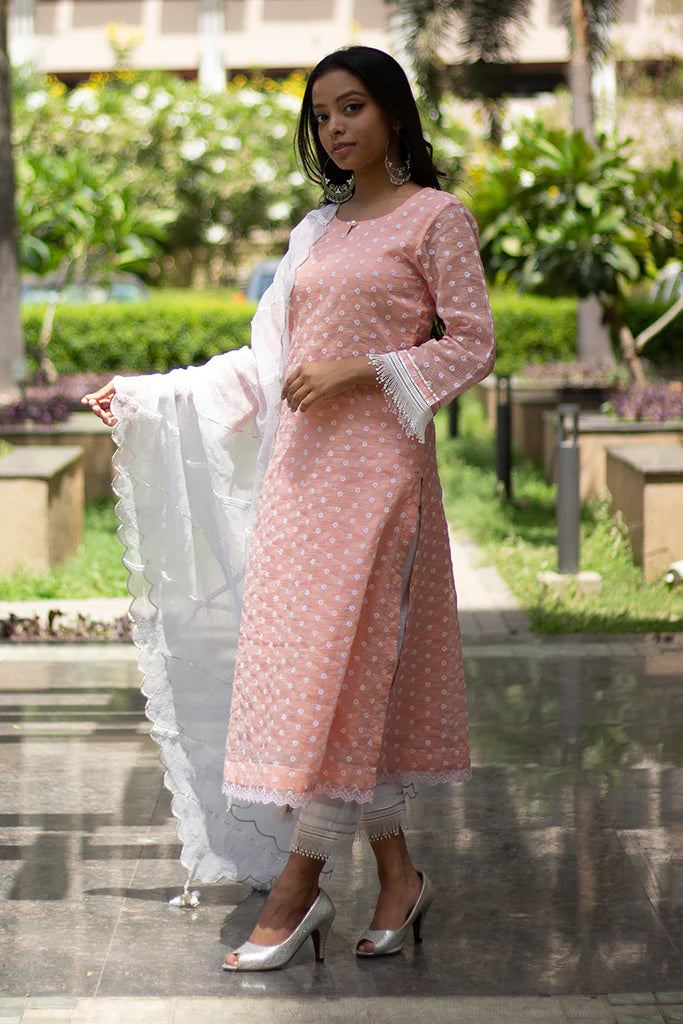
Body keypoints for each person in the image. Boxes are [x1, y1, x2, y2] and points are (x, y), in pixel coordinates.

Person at [82, 45, 495, 973]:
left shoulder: (436, 217)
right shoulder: (318, 230)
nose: (335, 127)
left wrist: (362, 370)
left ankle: (297, 887)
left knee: (344, 677)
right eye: (321, 115)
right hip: (300, 486)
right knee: (336, 677)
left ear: (393, 113)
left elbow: (472, 343)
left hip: (381, 480)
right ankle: (398, 878)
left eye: (352, 108)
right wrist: (148, 395)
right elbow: (271, 362)